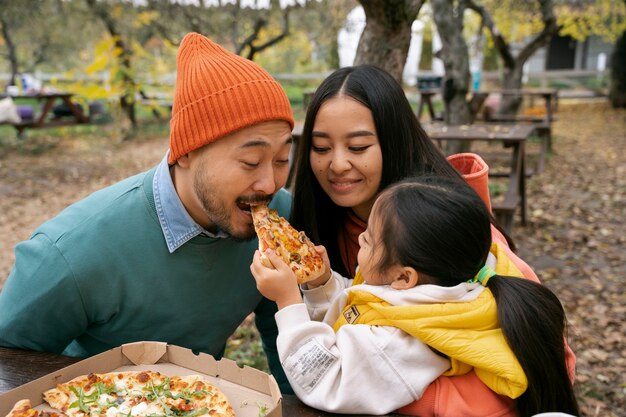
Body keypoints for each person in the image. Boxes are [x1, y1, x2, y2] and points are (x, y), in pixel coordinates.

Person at [0, 33, 295, 391]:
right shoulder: (71, 252)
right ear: (185, 152)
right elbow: (7, 362)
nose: (270, 183)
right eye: (251, 161)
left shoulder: (279, 219)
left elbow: (284, 326)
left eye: (282, 160)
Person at [288, 64, 577, 415]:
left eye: (358, 146)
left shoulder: (452, 234)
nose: (337, 164)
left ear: (393, 142)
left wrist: (423, 400)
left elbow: (556, 362)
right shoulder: (321, 224)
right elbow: (347, 312)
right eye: (320, 148)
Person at [251, 175, 579, 417]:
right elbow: (357, 312)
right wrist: (322, 284)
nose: (360, 237)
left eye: (371, 239)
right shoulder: (439, 288)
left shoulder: (405, 340)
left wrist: (288, 302)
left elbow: (324, 379)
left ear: (405, 277)